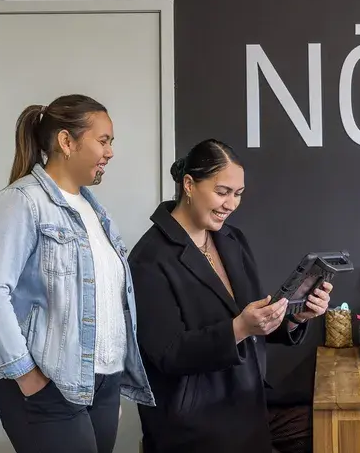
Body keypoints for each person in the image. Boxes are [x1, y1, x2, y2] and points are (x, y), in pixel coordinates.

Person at [0, 94, 154, 453]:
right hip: (48, 384)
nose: (110, 152)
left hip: (100, 384)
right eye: (103, 140)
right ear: (66, 141)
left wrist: (109, 384)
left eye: (111, 142)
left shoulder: (95, 212)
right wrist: (27, 377)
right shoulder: (20, 202)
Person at [128, 139, 332, 453]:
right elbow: (167, 352)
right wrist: (240, 328)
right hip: (192, 429)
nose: (231, 204)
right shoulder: (149, 258)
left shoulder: (232, 239)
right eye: (222, 192)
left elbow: (252, 322)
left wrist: (294, 317)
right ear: (189, 185)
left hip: (247, 409)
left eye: (237, 194)